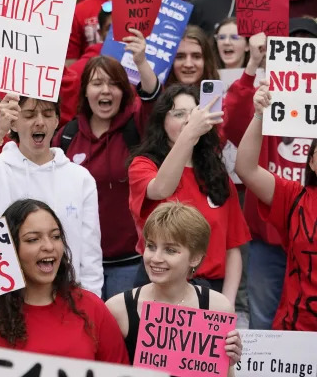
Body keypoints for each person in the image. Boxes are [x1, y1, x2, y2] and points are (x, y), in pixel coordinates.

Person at [0, 199, 127, 363]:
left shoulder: (92, 308)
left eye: (56, 236)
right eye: (33, 239)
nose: (49, 246)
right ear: (10, 248)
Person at [0, 94, 104, 295]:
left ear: (57, 121)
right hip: (7, 298)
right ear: (13, 123)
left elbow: (90, 255)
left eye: (48, 114)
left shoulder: (80, 178)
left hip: (64, 298)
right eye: (30, 115)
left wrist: (91, 305)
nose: (40, 122)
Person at [55, 34, 160, 300]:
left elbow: (152, 99)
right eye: (97, 83)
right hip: (77, 263)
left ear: (124, 91)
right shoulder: (67, 136)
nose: (105, 91)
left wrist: (141, 61)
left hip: (129, 262)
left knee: (121, 337)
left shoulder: (137, 126)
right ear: (85, 92)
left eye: (114, 84)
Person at [128, 84, 250, 302]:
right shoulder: (144, 165)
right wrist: (190, 133)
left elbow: (233, 248)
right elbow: (161, 188)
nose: (188, 120)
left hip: (209, 292)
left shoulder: (217, 174)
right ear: (161, 122)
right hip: (158, 287)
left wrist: (227, 302)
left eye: (194, 114)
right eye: (178, 114)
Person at [106, 203, 243, 367]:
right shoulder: (117, 309)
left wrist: (227, 362)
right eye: (151, 246)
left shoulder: (218, 308)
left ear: (195, 258)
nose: (156, 258)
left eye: (170, 250)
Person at [234, 81, 317, 330]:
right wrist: (260, 114)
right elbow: (246, 169)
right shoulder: (295, 197)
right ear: (311, 162)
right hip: (295, 334)